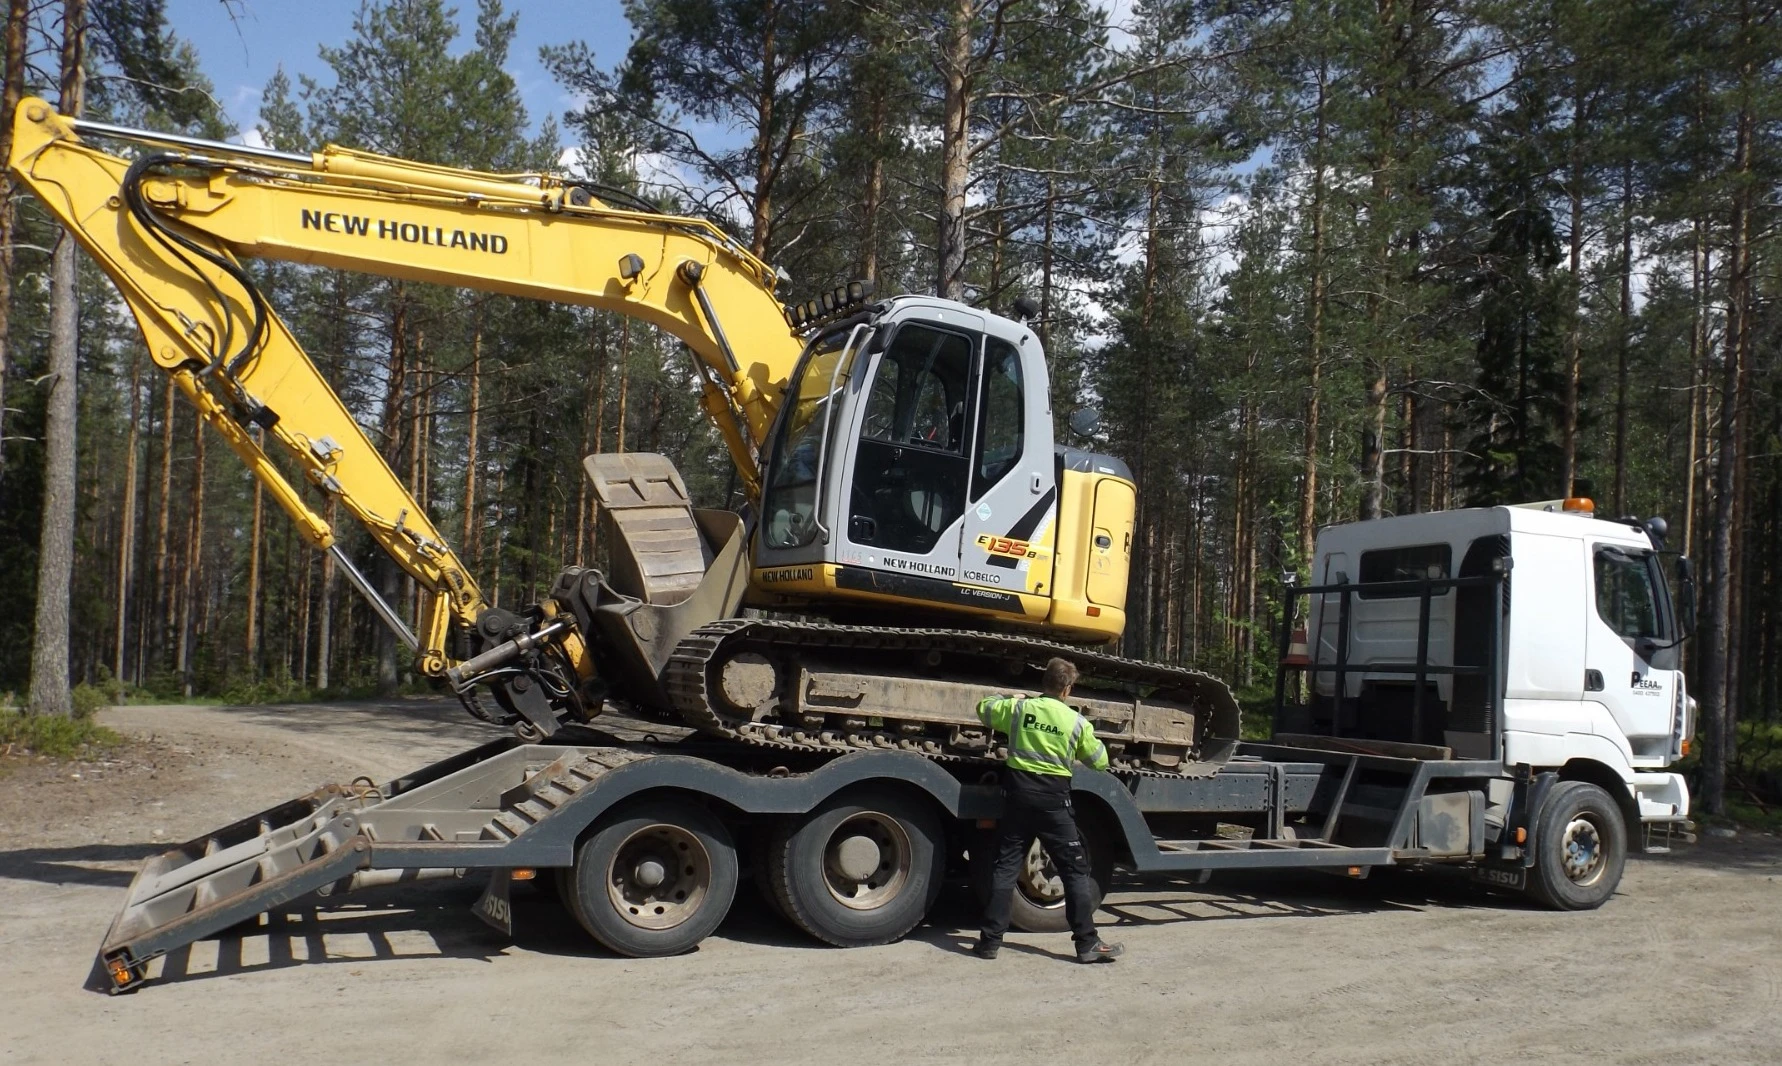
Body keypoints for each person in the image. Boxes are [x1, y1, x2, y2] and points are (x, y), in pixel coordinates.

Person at [973, 657, 1124, 963]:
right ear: (1068, 689)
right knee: (1074, 871)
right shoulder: (1075, 722)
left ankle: (990, 942)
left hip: (1017, 799)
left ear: (1044, 683)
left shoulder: (1020, 710)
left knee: (1005, 868)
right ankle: (1086, 944)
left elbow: (983, 708)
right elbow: (1100, 761)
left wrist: (1009, 697)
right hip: (1054, 805)